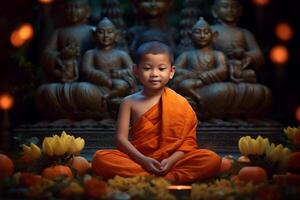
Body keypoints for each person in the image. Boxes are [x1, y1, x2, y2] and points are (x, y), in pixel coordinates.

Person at [92, 41, 221, 184]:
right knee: (100, 158)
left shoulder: (180, 102)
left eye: (161, 68)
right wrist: (144, 160)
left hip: (173, 161)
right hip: (139, 160)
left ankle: (147, 179)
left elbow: (188, 143)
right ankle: (166, 179)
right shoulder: (129, 102)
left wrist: (170, 161)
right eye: (147, 68)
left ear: (171, 72)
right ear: (135, 71)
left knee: (211, 159)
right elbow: (121, 140)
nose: (154, 74)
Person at [173, 17, 228, 105]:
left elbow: (223, 70)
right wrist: (192, 74)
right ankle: (196, 98)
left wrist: (205, 75)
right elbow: (175, 70)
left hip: (210, 84)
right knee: (181, 84)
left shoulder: (217, 54)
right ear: (190, 36)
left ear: (213, 36)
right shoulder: (186, 54)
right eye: (197, 32)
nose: (202, 36)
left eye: (206, 33)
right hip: (192, 82)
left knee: (223, 89)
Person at [81, 17, 136, 100]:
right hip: (97, 85)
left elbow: (132, 69)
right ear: (94, 35)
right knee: (82, 88)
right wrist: (102, 77)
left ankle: (110, 95)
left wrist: (119, 73)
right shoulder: (90, 53)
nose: (105, 35)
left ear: (117, 35)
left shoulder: (121, 54)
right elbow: (86, 69)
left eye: (109, 32)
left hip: (116, 83)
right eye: (101, 32)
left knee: (123, 85)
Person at [211, 0, 263, 83]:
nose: (230, 10)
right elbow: (202, 53)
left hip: (239, 70)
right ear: (214, 11)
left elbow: (258, 53)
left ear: (240, 11)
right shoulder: (210, 31)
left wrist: (243, 54)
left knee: (261, 90)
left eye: (234, 7)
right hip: (219, 73)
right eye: (225, 6)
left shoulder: (244, 33)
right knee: (219, 90)